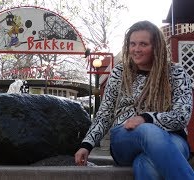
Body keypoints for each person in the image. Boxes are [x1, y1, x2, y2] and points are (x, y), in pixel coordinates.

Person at [75, 20, 194, 180]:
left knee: (146, 164)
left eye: (143, 44)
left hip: (172, 137)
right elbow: (105, 114)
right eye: (132, 44)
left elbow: (181, 116)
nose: (136, 49)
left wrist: (145, 118)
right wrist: (87, 144)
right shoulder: (120, 72)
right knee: (148, 131)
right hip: (125, 138)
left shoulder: (176, 73)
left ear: (156, 47)